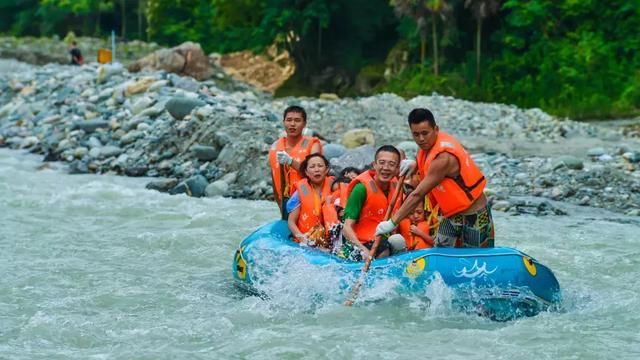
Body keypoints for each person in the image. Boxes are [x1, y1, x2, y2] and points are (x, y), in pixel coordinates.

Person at [376, 108, 494, 248]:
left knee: (477, 258)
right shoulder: (426, 146)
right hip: (451, 215)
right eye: (416, 134)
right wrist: (415, 165)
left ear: (436, 129)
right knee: (439, 250)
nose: (421, 139)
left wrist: (392, 222)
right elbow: (426, 166)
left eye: (425, 133)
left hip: (475, 214)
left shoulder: (443, 158)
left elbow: (418, 194)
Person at [340, 145, 402, 261]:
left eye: (391, 164)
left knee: (398, 241)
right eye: (382, 163)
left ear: (397, 168)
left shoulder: (397, 187)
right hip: (360, 243)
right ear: (374, 165)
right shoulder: (361, 189)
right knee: (384, 248)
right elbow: (346, 227)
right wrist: (363, 250)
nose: (386, 168)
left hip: (382, 241)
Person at [268, 105, 323, 217]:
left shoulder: (313, 145)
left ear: (304, 124)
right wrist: (280, 205)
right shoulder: (275, 147)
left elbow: (316, 175)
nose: (292, 124)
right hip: (285, 203)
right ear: (283, 122)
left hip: (308, 202)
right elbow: (274, 178)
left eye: (297, 120)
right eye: (289, 120)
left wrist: (291, 162)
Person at [286, 154, 340, 251]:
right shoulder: (301, 191)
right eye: (312, 167)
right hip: (307, 241)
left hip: (331, 241)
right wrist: (303, 240)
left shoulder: (335, 186)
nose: (316, 169)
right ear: (306, 172)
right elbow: (291, 221)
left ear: (326, 170)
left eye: (320, 166)